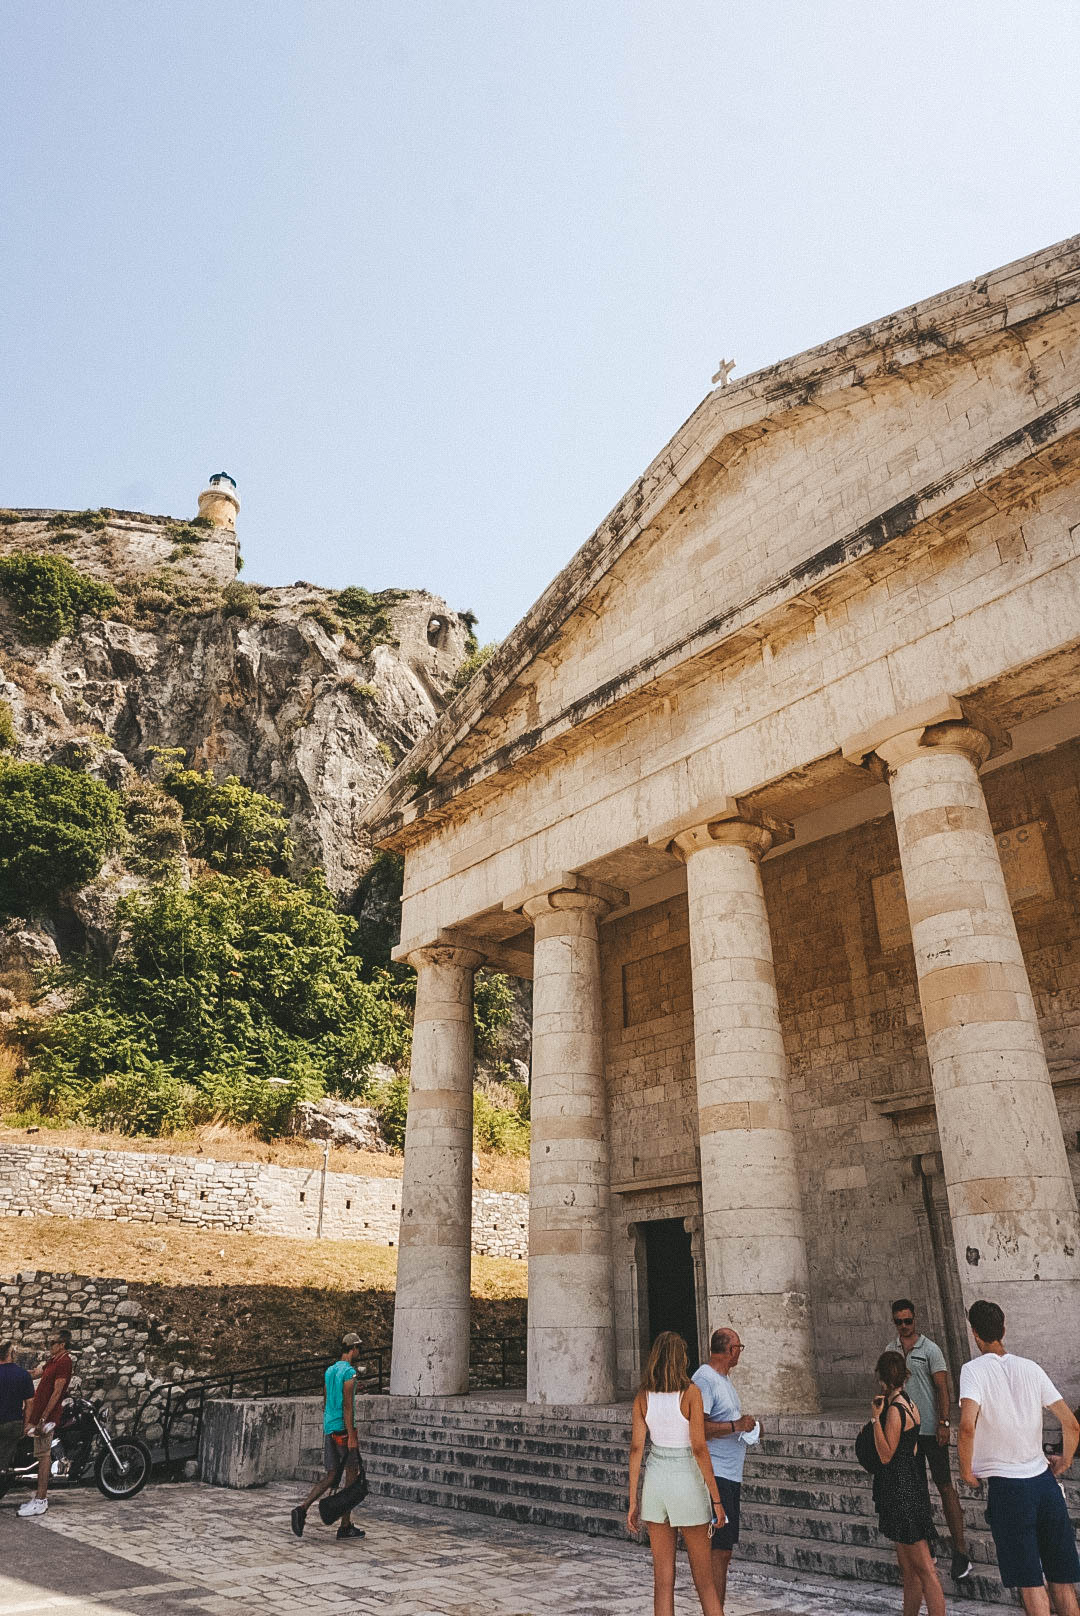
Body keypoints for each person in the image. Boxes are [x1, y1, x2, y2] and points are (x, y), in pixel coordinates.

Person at [958, 1299, 1080, 1616]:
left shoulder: (972, 1371)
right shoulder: (1031, 1368)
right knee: (1062, 1583)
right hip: (1044, 1485)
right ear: (1004, 1329)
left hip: (1009, 1489)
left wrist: (966, 1471)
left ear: (974, 1333)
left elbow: (967, 1426)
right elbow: (1071, 1423)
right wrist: (1064, 1461)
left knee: (1031, 1584)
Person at [627, 1330, 726, 1616]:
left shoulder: (643, 1397)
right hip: (687, 1481)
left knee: (662, 1582)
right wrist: (717, 1500)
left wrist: (633, 1501)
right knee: (704, 1582)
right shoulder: (691, 1393)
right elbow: (698, 1448)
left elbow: (636, 1449)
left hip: (656, 1481)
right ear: (681, 1359)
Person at [887, 1297, 972, 1581]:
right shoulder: (891, 1350)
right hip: (906, 1434)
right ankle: (928, 1546)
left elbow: (942, 1388)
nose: (903, 1326)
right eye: (898, 1322)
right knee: (916, 1491)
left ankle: (961, 1551)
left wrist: (945, 1422)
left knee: (945, 1486)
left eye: (907, 1321)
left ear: (915, 1319)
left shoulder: (931, 1349)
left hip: (931, 1431)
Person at [871, 1350, 946, 1616]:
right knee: (910, 1571)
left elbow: (885, 1454)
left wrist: (874, 1421)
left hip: (902, 1492)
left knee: (925, 1570)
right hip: (908, 1485)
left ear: (882, 1379)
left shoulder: (894, 1411)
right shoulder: (910, 1404)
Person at [692, 1327, 756, 1611]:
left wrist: (747, 1429)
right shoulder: (705, 1380)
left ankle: (716, 1609)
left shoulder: (723, 1380)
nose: (740, 1352)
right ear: (730, 1350)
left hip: (730, 1474)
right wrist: (736, 1426)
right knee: (717, 1551)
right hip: (716, 1474)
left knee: (724, 1551)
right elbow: (699, 1428)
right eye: (739, 1347)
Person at [290, 1333, 365, 1542]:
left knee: (331, 1476)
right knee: (351, 1477)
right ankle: (345, 1525)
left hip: (329, 1427)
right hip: (343, 1429)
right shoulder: (349, 1373)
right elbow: (347, 1406)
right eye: (359, 1348)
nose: (360, 1352)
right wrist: (351, 1436)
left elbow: (326, 1400)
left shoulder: (330, 1370)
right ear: (354, 1349)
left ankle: (302, 1508)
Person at [17, 1330, 72, 1518]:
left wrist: (43, 1418)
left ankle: (41, 1500)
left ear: (62, 1344)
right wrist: (13, 1371)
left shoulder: (64, 1362)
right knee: (41, 1454)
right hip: (40, 1414)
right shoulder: (53, 1361)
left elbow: (57, 1393)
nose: (49, 1346)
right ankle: (38, 1498)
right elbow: (35, 1373)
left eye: (52, 1343)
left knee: (44, 1455)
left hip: (46, 1417)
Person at [0, 1341, 34, 1477]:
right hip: (13, 1422)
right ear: (12, 1354)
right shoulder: (22, 1374)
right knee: (4, 1461)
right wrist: (25, 1425)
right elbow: (30, 1403)